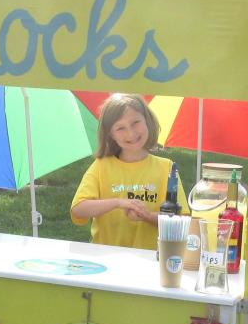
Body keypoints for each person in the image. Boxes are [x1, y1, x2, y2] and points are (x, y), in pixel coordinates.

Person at [70, 93, 186, 251]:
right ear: (110, 134)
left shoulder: (167, 169)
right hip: (106, 260)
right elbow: (78, 209)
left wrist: (147, 216)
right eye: (120, 128)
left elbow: (182, 222)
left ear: (147, 120)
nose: (130, 133)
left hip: (152, 261)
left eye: (135, 122)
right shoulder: (101, 166)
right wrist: (118, 202)